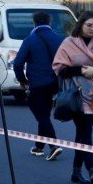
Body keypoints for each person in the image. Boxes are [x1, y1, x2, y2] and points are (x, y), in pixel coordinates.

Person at [52, 11, 93, 184]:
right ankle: (92, 170)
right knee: (85, 131)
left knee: (82, 133)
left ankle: (75, 172)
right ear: (80, 24)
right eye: (89, 25)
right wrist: (81, 70)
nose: (92, 29)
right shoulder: (68, 43)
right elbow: (60, 69)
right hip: (76, 95)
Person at [13, 11, 64, 161]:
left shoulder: (30, 40)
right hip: (54, 84)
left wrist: (23, 80)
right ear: (50, 22)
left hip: (37, 84)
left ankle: (54, 145)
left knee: (41, 114)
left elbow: (17, 63)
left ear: (34, 23)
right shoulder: (59, 39)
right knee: (44, 114)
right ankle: (39, 147)